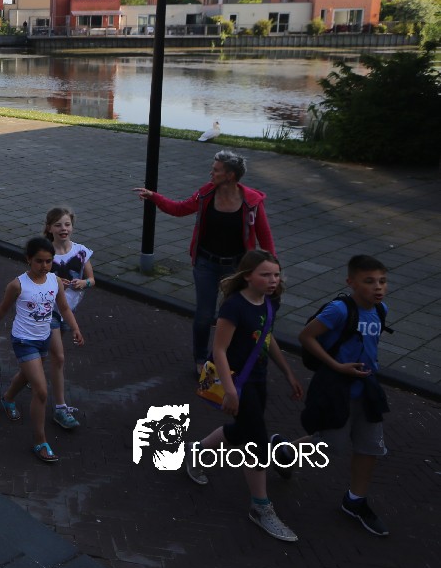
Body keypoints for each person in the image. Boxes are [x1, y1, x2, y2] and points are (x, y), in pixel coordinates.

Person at [183, 250, 303, 543]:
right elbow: (219, 349)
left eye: (276, 274)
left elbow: (267, 338)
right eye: (266, 275)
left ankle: (197, 452)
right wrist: (230, 390)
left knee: (242, 430)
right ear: (248, 276)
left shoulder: (271, 302)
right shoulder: (234, 306)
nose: (273, 280)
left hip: (259, 380)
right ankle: (260, 507)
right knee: (257, 442)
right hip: (238, 382)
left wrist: (287, 372)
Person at [277, 255, 392, 536]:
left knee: (370, 447)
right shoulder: (339, 310)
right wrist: (337, 366)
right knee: (330, 445)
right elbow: (306, 337)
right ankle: (285, 452)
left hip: (368, 389)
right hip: (338, 389)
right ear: (351, 282)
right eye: (369, 281)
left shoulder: (381, 309)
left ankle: (355, 501)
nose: (378, 287)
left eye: (382, 281)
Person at [134, 149, 275, 376]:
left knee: (234, 315)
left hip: (237, 267)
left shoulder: (251, 202)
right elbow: (180, 209)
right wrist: (154, 196)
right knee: (204, 315)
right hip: (205, 263)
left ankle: (229, 358)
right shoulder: (206, 193)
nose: (211, 172)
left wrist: (271, 271)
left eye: (216, 170)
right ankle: (201, 359)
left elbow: (265, 237)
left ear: (230, 175)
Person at [0, 236, 84, 463]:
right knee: (41, 391)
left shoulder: (54, 281)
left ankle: (8, 398)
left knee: (27, 375)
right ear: (28, 259)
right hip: (24, 340)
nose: (44, 266)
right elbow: (2, 310)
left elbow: (64, 307)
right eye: (39, 261)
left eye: (48, 261)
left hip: (44, 338)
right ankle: (40, 441)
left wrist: (75, 328)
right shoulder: (17, 285)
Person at [44, 207, 95, 431]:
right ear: (49, 228)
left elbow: (92, 279)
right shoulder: (46, 254)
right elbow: (36, 278)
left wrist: (84, 283)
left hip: (69, 311)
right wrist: (53, 282)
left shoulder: (81, 252)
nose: (63, 229)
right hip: (49, 310)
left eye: (67, 224)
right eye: (58, 225)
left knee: (48, 353)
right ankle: (60, 408)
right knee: (59, 357)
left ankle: (28, 374)